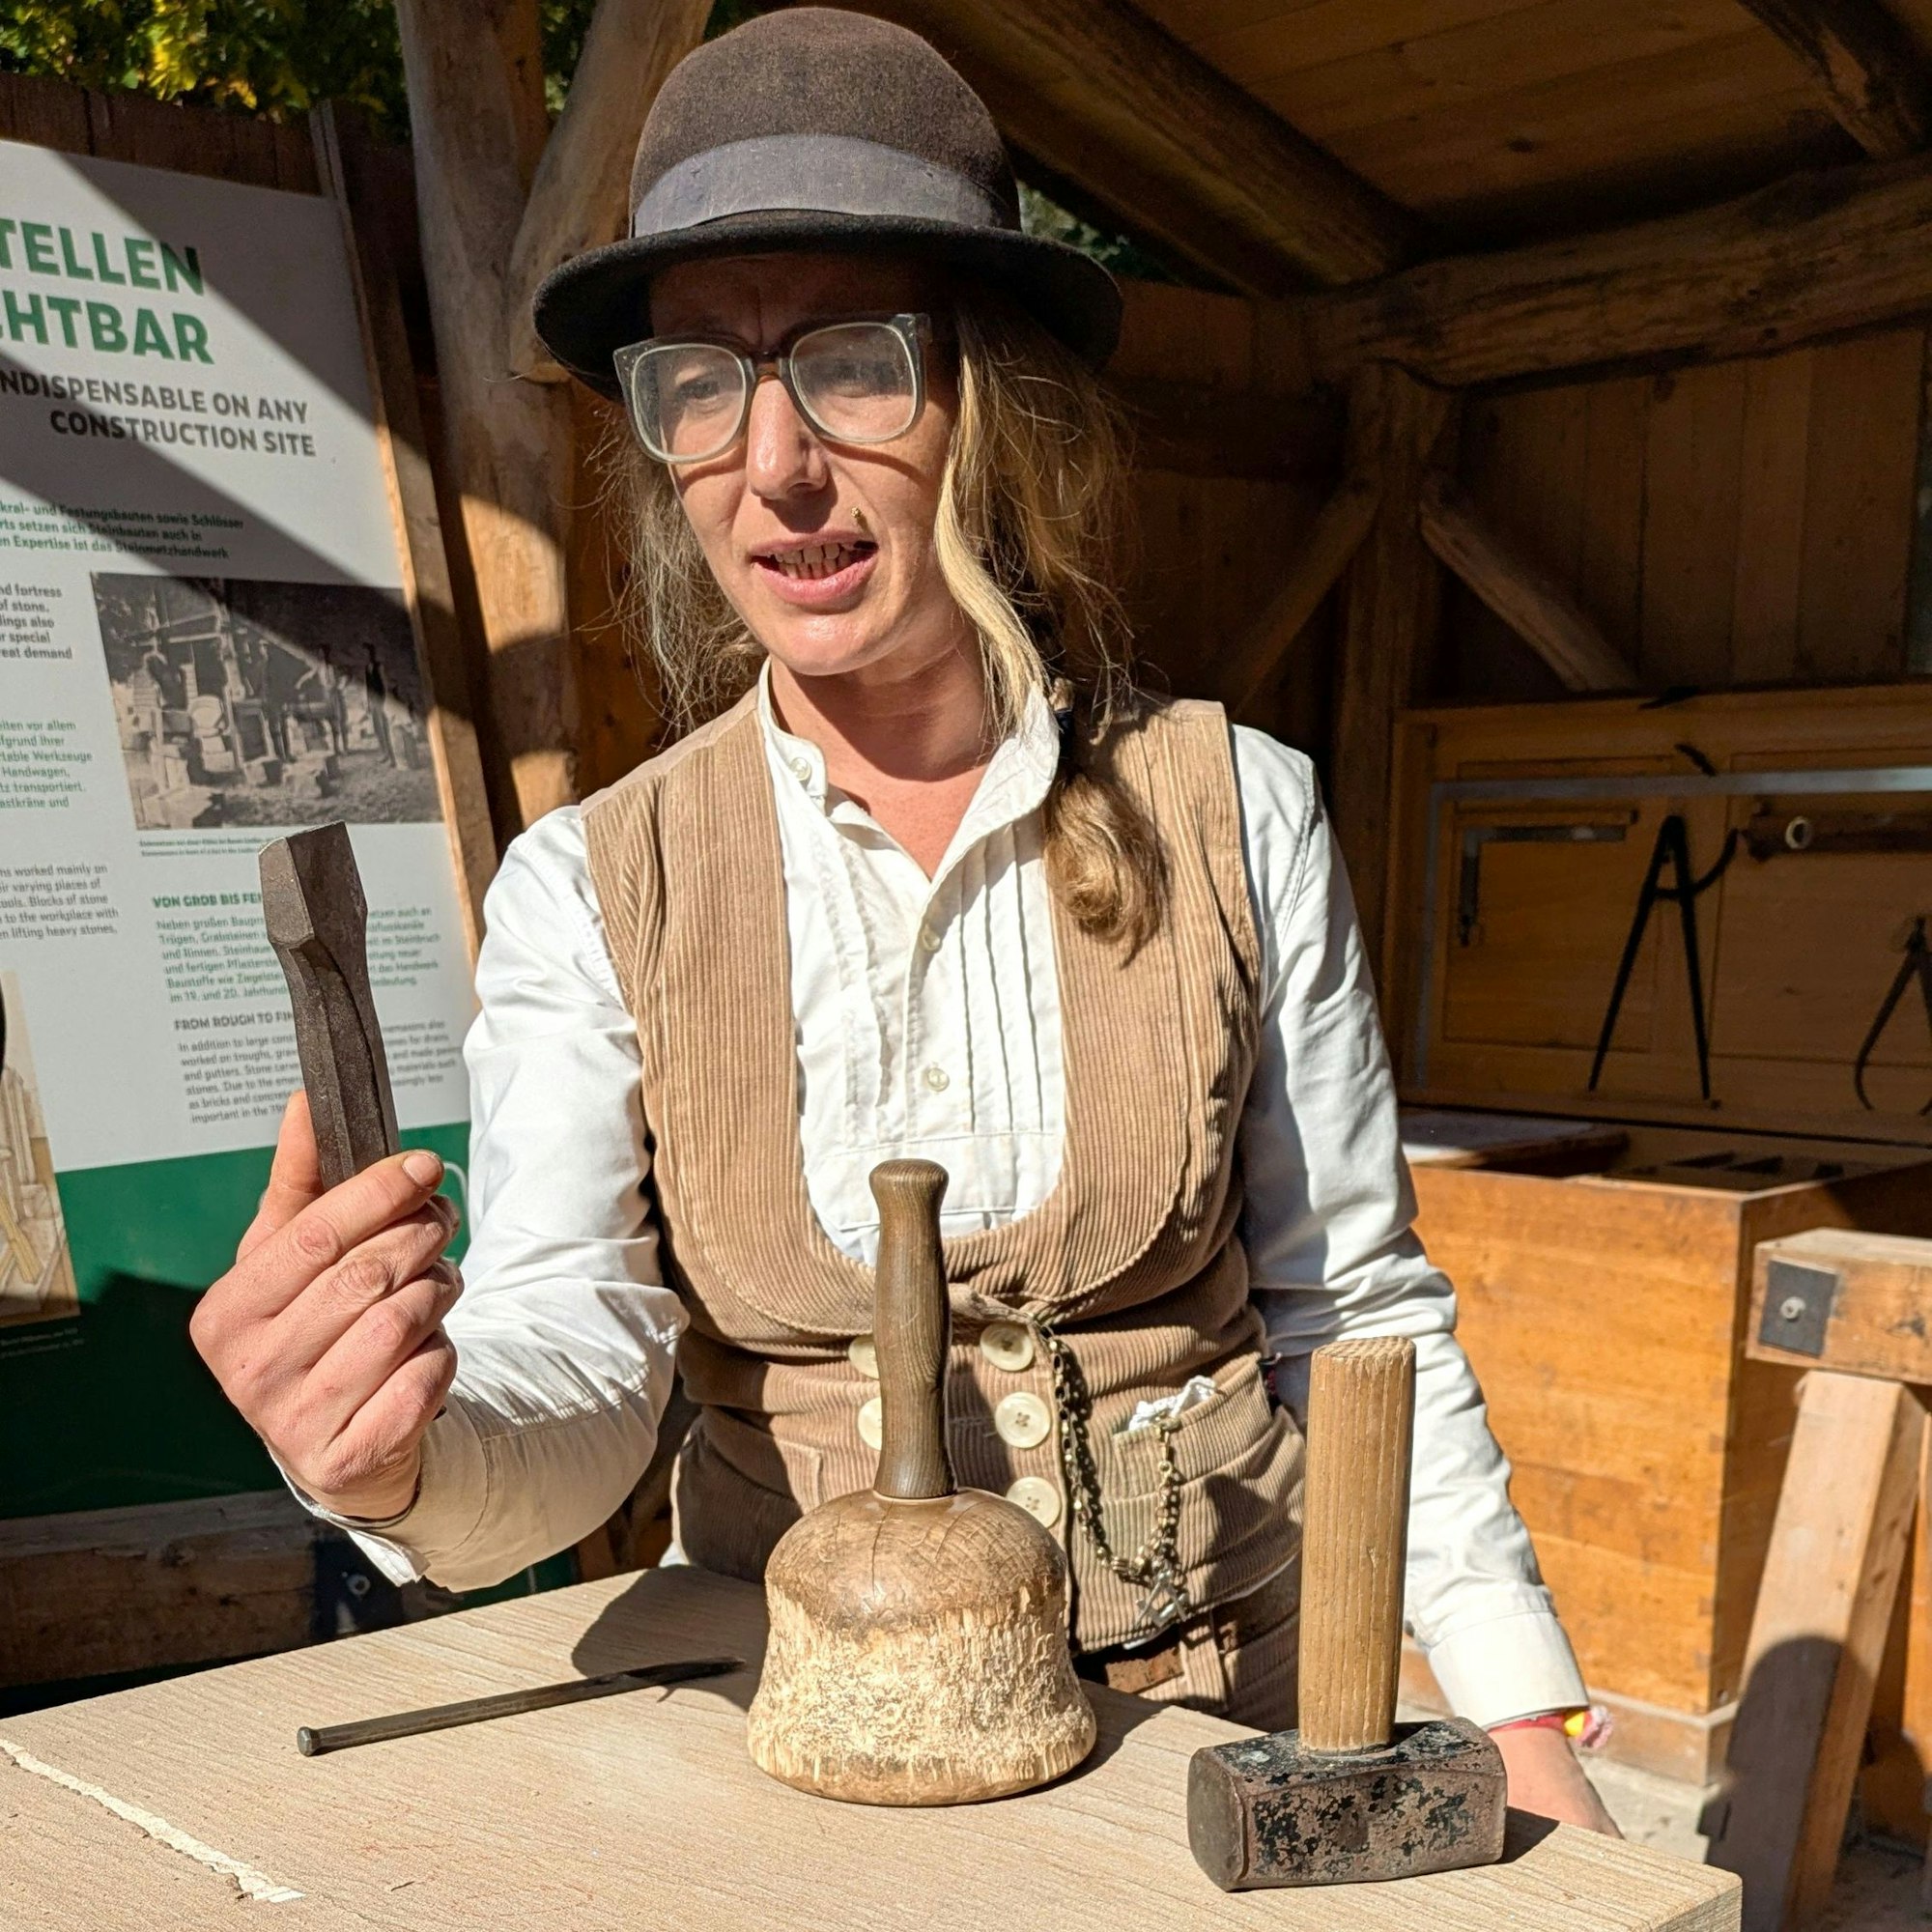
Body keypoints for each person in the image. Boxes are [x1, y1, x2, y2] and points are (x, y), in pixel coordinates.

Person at [190, 8, 1615, 1832]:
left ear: (990, 403)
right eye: (698, 381)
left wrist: (1520, 1723)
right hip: (791, 1737)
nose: (772, 461)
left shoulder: (1235, 809)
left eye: (852, 365)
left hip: (1205, 1732)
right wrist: (400, 1454)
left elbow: (1354, 1306)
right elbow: (580, 1355)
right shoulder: (596, 885)